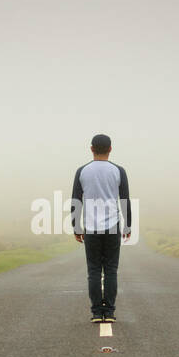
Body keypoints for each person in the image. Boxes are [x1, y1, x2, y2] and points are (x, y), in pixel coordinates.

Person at [70, 134, 132, 322]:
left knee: (94, 270)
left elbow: (76, 200)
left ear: (91, 149)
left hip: (90, 227)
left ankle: (97, 312)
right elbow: (124, 200)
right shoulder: (118, 171)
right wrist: (128, 225)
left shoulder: (82, 171)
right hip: (113, 226)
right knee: (111, 270)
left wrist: (76, 227)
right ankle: (110, 312)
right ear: (110, 149)